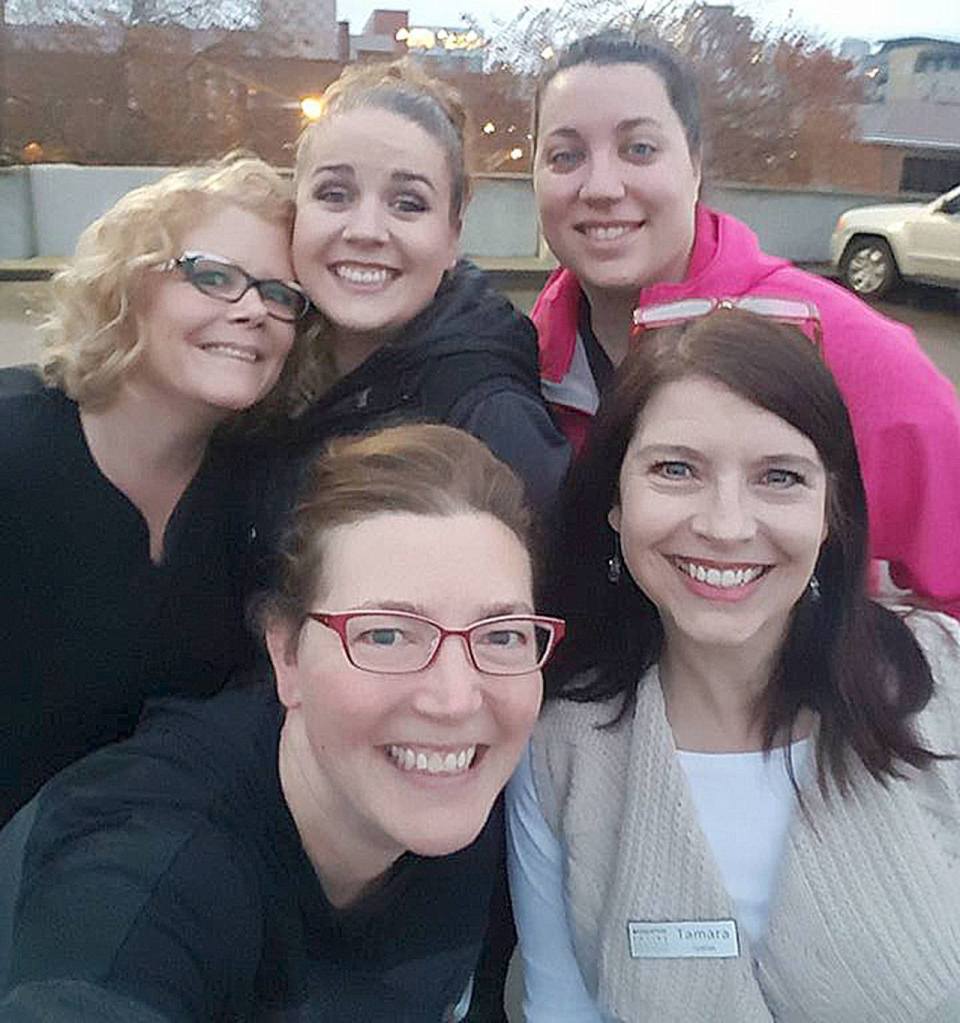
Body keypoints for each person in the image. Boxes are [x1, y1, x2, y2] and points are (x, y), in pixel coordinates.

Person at [0, 424, 565, 1022]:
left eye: (502, 636)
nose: (455, 700)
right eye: (386, 635)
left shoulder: (485, 806)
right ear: (286, 658)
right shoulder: (154, 866)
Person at [507, 310, 960, 1023]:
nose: (725, 525)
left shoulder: (942, 679)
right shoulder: (555, 743)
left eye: (779, 476)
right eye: (676, 469)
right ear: (616, 502)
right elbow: (560, 1005)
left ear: (830, 510)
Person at [530, 29, 960, 616]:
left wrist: (869, 691)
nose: (601, 187)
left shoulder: (845, 348)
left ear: (696, 164)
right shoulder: (525, 360)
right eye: (565, 156)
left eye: (639, 150)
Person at [0, 156, 313, 823]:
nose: (254, 308)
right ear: (127, 285)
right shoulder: (15, 443)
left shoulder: (260, 493)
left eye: (280, 293)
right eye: (214, 276)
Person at [272, 58, 569, 515]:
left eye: (408, 203)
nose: (365, 230)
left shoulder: (489, 422)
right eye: (334, 194)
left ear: (453, 236)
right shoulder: (259, 360)